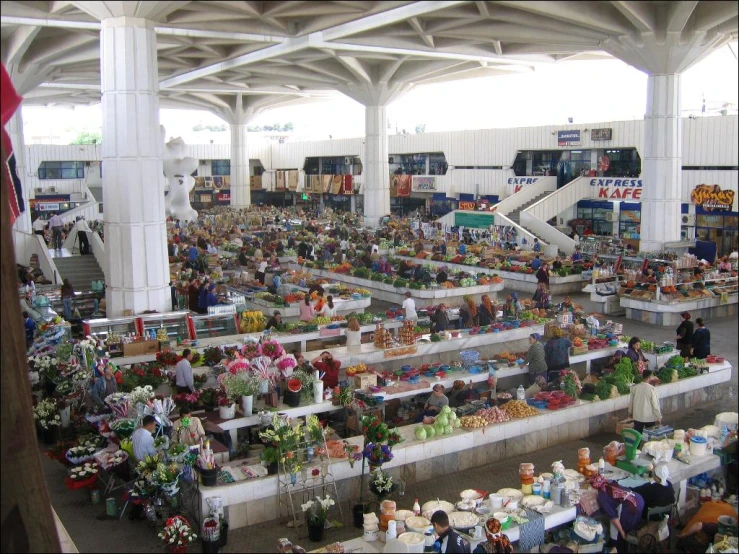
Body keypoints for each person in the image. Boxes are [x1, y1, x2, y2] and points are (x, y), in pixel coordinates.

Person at [590, 474, 645, 553]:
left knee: (617, 534)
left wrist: (622, 532)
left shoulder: (601, 496)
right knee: (632, 527)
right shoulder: (612, 483)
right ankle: (634, 546)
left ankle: (620, 549)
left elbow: (613, 517)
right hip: (638, 500)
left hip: (629, 507)